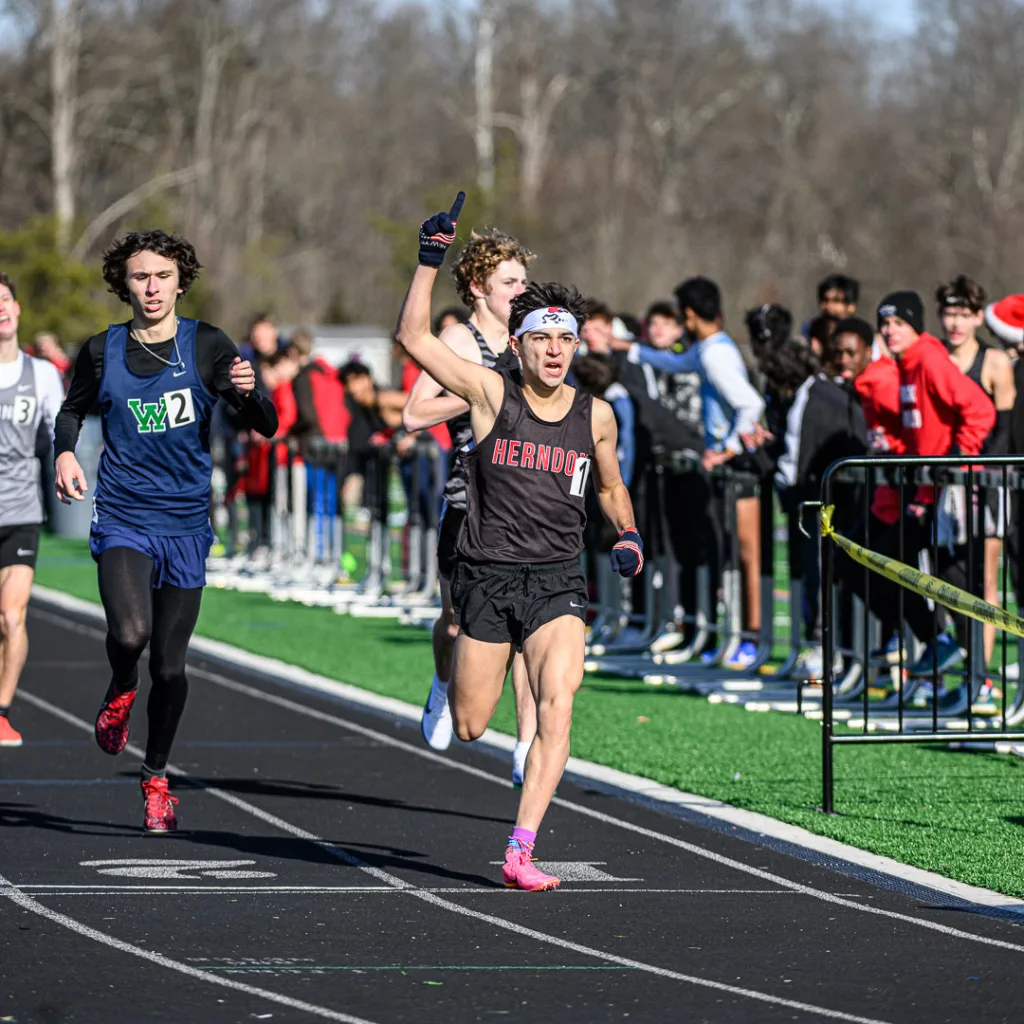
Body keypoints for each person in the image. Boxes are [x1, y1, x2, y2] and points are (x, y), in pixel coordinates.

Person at [397, 194, 643, 890]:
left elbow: (609, 488)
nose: (555, 351)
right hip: (484, 573)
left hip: (557, 579)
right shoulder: (486, 393)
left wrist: (627, 534)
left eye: (565, 340)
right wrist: (426, 264)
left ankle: (520, 847)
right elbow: (413, 339)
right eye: (541, 339)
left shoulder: (596, 417)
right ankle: (452, 679)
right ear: (519, 344)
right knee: (473, 725)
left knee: (558, 702)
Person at [53, 229, 277, 832]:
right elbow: (72, 409)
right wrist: (65, 453)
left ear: (181, 281)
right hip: (124, 513)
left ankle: (155, 778)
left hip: (185, 524)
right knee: (130, 635)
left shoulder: (205, 345)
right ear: (122, 284)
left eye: (161, 276)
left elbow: (267, 424)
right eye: (139, 277)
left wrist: (253, 393)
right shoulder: (101, 351)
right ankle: (119, 687)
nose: (150, 288)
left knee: (171, 670)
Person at [402, 228, 539, 789]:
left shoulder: (533, 338)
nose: (521, 292)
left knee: (531, 635)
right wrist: (482, 390)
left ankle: (526, 746)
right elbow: (413, 414)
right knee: (457, 625)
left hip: (529, 503)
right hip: (469, 501)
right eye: (510, 283)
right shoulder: (461, 339)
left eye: (525, 282)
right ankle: (441, 683)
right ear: (480, 288)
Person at [837, 291, 994, 682]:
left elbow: (980, 409)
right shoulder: (907, 363)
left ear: (916, 326)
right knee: (889, 568)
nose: (889, 331)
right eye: (885, 324)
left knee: (941, 581)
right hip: (926, 493)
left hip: (949, 493)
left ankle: (974, 678)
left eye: (898, 324)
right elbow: (920, 431)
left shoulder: (926, 358)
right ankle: (950, 660)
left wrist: (956, 456)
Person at [628, 277, 767, 669]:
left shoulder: (715, 355)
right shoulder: (707, 349)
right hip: (722, 466)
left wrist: (727, 449)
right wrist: (633, 351)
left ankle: (747, 639)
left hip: (735, 467)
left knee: (740, 556)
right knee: (723, 553)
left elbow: (750, 404)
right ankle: (725, 637)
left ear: (689, 314)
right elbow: (674, 361)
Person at [937, 276, 1016, 670]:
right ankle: (957, 659)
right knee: (942, 573)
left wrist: (977, 470)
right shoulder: (934, 358)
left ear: (978, 317)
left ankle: (979, 677)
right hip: (942, 485)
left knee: (984, 580)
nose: (955, 323)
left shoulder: (995, 361)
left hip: (985, 484)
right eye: (949, 314)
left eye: (963, 315)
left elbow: (1003, 429)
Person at [0, 272, 65, 746]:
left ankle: (1, 709)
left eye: (4, 299)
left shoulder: (41, 374)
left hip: (21, 509)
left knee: (11, 616)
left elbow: (58, 432)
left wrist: (64, 460)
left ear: (18, 308)